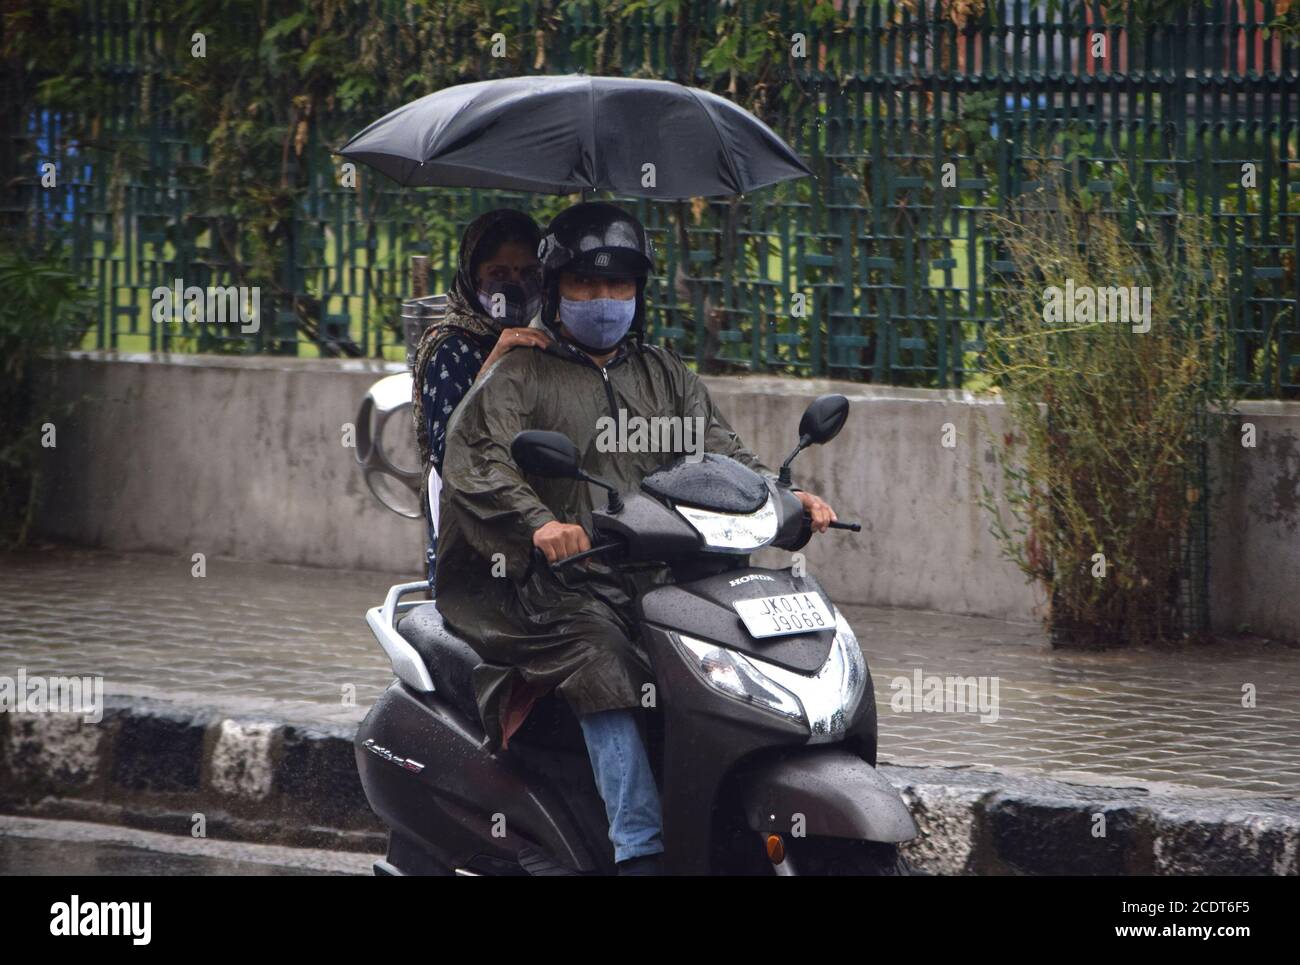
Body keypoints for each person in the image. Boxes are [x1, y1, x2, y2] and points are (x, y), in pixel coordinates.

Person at [434, 202, 837, 875]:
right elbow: (475, 458)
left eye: (619, 286)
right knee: (604, 658)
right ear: (556, 289)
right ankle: (639, 846)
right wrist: (541, 524)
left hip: (653, 576)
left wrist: (784, 494)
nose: (604, 300)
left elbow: (722, 451)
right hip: (546, 588)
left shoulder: (662, 374)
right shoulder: (522, 371)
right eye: (587, 286)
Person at [410, 209, 552, 584]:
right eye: (499, 274)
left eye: (527, 273)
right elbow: (453, 454)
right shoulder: (449, 348)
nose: (514, 285)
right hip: (472, 540)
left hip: (541, 533)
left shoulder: (546, 341)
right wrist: (492, 364)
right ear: (474, 277)